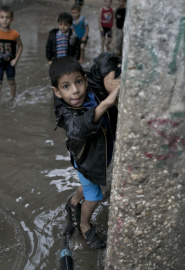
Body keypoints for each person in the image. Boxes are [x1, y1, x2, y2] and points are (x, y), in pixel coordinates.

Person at [49, 56, 120, 249]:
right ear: (56, 92)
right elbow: (78, 127)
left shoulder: (92, 90)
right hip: (87, 163)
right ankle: (84, 224)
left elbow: (105, 59)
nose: (75, 90)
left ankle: (72, 203)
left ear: (85, 79)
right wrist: (106, 103)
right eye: (66, 86)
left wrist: (109, 81)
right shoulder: (65, 113)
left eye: (78, 82)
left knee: (87, 186)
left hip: (100, 156)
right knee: (95, 196)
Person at [0, 5, 23, 104]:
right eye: (2, 17)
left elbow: (20, 46)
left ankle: (13, 100)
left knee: (11, 82)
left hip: (10, 63)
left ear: (12, 19)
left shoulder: (15, 34)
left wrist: (16, 59)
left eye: (7, 17)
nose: (5, 20)